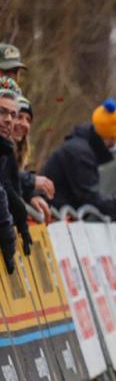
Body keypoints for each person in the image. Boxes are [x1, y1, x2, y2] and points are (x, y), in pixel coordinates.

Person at [42, 99, 116, 219]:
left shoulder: (86, 150)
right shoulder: (82, 154)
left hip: (58, 214)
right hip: (53, 216)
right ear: (114, 136)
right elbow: (93, 200)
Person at [0, 90, 31, 266]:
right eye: (2, 112)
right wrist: (7, 232)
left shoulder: (5, 150)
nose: (9, 120)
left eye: (13, 114)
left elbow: (10, 186)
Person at [12, 96, 54, 223]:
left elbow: (15, 184)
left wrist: (31, 195)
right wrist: (31, 180)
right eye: (19, 117)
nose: (24, 124)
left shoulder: (19, 154)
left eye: (28, 120)